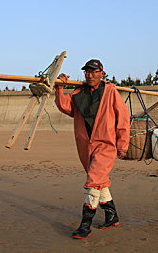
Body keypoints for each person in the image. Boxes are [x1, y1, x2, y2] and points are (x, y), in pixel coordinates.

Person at [55, 59, 130, 239]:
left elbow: (123, 117)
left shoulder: (110, 91)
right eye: (87, 72)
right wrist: (59, 87)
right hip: (85, 145)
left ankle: (85, 224)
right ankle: (112, 216)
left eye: (93, 72)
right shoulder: (79, 92)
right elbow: (66, 107)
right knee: (99, 181)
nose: (89, 75)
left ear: (101, 73)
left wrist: (123, 144)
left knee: (93, 181)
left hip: (106, 144)